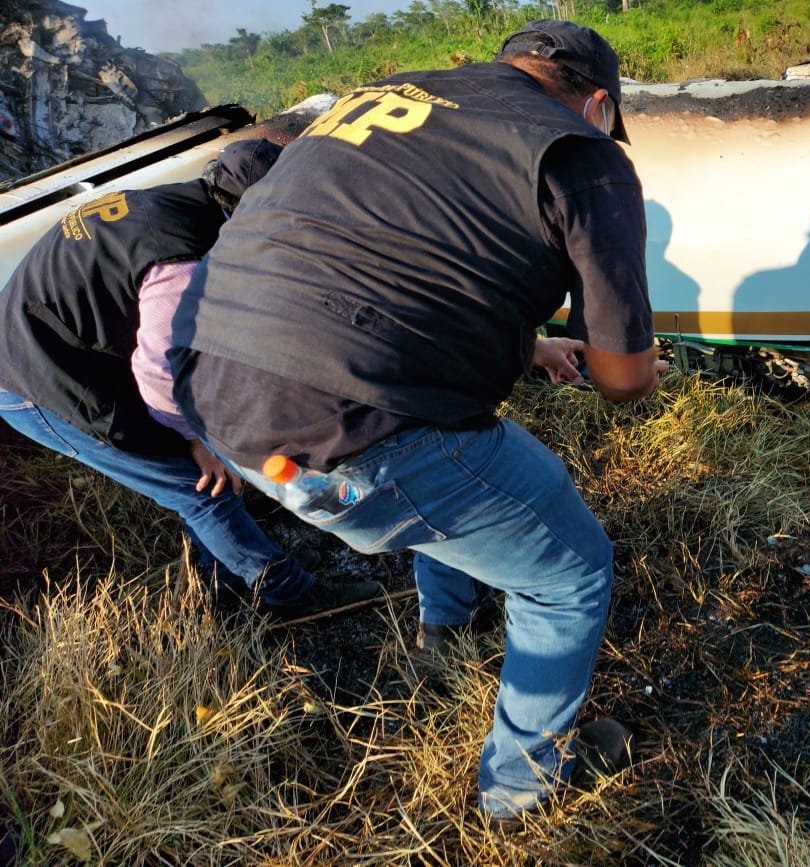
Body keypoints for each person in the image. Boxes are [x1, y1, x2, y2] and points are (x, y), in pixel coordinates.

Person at [168, 20, 668, 821]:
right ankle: (521, 791)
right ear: (600, 104)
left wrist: (526, 345)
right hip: (352, 428)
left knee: (461, 479)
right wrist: (635, 357)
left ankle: (446, 630)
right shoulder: (581, 152)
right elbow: (623, 380)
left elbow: (378, 264)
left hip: (218, 402)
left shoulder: (374, 100)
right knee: (569, 571)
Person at [0, 138, 385, 623]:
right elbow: (160, 373)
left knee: (204, 477)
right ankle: (288, 594)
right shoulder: (180, 258)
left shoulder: (174, 201)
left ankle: (224, 575)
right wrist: (195, 439)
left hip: (61, 345)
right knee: (200, 487)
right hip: (35, 381)